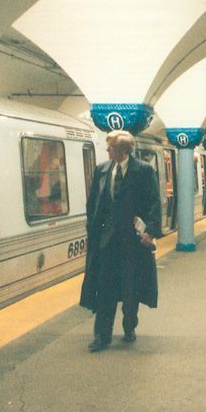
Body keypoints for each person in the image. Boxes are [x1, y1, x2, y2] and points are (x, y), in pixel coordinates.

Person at [79, 130, 162, 352]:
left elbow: (154, 201)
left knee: (130, 287)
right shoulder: (102, 170)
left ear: (124, 150)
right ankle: (101, 336)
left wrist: (151, 231)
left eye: (111, 148)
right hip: (107, 242)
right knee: (104, 288)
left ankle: (129, 326)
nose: (107, 151)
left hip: (132, 241)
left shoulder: (144, 171)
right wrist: (92, 233)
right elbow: (94, 203)